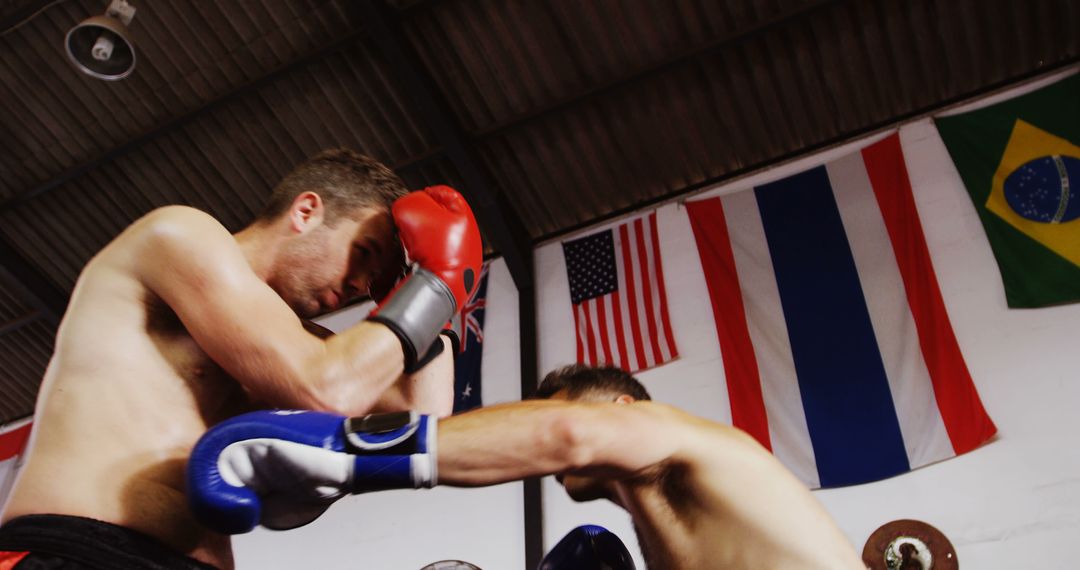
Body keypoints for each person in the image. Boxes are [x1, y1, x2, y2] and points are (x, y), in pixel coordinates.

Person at [0, 148, 482, 570]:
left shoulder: (301, 341)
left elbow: (421, 423)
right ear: (307, 211)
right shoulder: (180, 235)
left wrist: (433, 303)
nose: (361, 284)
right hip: (76, 548)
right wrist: (435, 282)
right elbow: (326, 388)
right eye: (364, 252)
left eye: (376, 279)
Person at [186, 365, 865, 569]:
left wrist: (344, 450)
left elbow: (564, 431)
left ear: (623, 407)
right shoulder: (684, 529)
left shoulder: (675, 434)